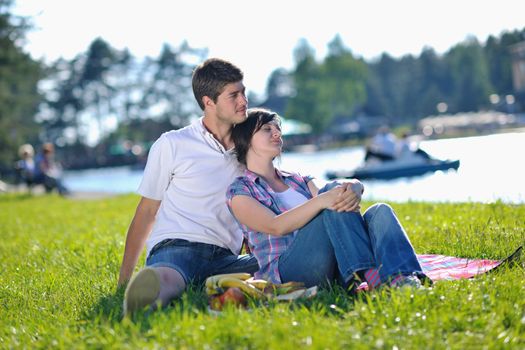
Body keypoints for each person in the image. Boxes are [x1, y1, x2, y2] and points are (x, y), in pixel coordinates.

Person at [227, 108, 428, 291]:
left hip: (334, 264)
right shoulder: (240, 190)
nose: (277, 133)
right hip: (289, 273)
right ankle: (373, 278)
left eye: (278, 128)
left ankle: (404, 279)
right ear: (246, 139)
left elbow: (334, 193)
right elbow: (275, 226)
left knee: (380, 211)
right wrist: (323, 200)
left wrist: (356, 185)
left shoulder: (298, 180)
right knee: (329, 197)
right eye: (266, 129)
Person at [119, 58, 258, 315]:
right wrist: (123, 280)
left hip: (226, 258)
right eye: (234, 95)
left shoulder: (249, 147)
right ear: (209, 102)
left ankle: (220, 285)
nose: (243, 101)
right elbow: (147, 212)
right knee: (168, 279)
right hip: (177, 248)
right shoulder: (172, 143)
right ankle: (143, 296)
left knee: (274, 265)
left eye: (244, 92)